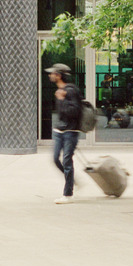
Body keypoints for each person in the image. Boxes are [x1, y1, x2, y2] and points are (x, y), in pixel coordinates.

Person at [47, 63, 84, 204]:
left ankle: (67, 194)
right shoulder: (59, 90)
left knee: (67, 161)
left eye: (53, 73)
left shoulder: (71, 91)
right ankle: (72, 180)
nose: (50, 75)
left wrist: (62, 100)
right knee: (56, 159)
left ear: (59, 75)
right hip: (59, 131)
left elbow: (75, 112)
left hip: (70, 131)